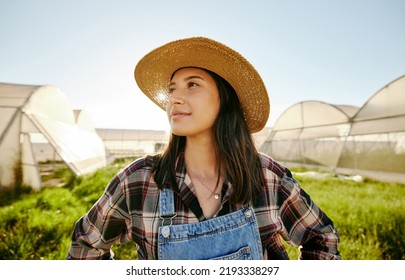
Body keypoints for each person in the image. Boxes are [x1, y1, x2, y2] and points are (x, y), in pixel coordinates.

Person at [67, 37, 341, 260]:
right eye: (172, 89)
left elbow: (321, 238)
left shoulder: (268, 177)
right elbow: (85, 245)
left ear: (225, 99)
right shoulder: (138, 180)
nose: (174, 98)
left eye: (192, 85)